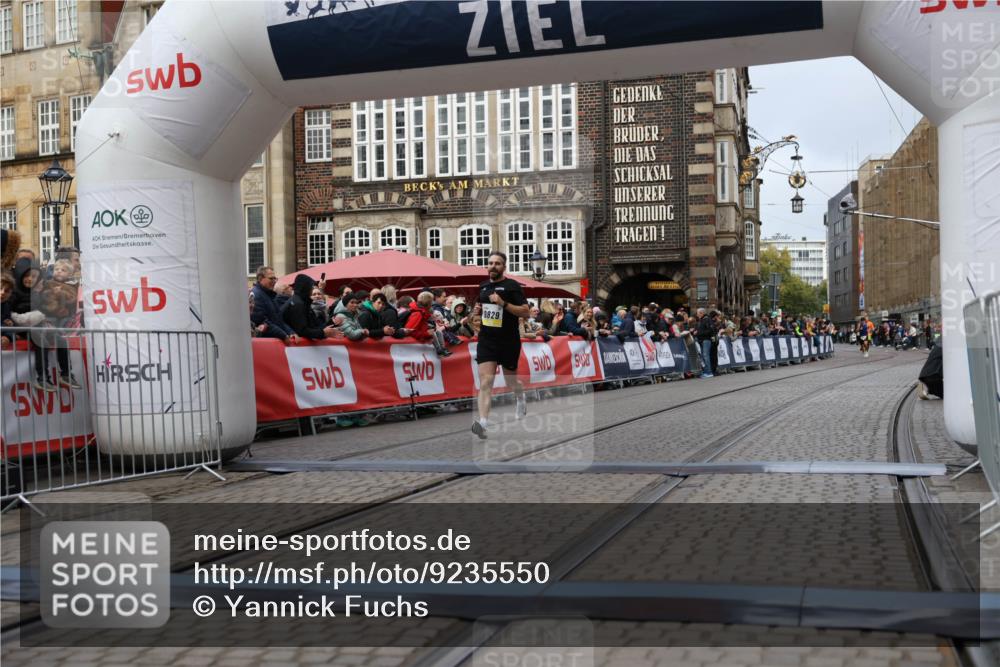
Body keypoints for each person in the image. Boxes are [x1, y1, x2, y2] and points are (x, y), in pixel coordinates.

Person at [472, 251, 530, 439]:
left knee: (511, 382)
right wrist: (476, 313)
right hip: (487, 340)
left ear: (504, 267)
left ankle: (520, 397)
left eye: (497, 263)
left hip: (508, 340)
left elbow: (525, 312)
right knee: (486, 382)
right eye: (490, 263)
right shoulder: (483, 287)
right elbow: (479, 313)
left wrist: (503, 303)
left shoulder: (512, 286)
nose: (493, 266)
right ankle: (482, 423)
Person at [31, 259, 81, 391]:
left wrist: (61, 294)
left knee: (62, 341)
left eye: (63, 270)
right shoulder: (47, 283)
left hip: (58, 320)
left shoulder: (72, 285)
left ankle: (66, 374)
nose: (59, 272)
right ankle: (43, 377)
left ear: (70, 274)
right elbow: (41, 298)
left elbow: (72, 299)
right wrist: (53, 293)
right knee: (43, 341)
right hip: (45, 318)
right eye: (56, 269)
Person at [282, 274, 341, 340]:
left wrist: (332, 322)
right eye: (310, 287)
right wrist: (323, 333)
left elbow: (314, 326)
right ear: (305, 288)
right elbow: (302, 331)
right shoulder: (298, 304)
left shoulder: (304, 303)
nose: (311, 290)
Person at [251, 266, 297, 342]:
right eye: (271, 278)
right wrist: (283, 335)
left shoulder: (270, 295)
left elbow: (279, 320)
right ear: (260, 279)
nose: (274, 281)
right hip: (266, 344)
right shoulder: (256, 295)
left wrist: (291, 333)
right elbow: (261, 321)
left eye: (275, 278)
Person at [405, 291, 451, 356]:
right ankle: (440, 350)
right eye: (431, 302)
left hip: (422, 339)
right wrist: (426, 333)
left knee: (438, 332)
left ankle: (442, 349)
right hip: (417, 345)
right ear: (427, 303)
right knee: (435, 333)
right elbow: (409, 330)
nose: (432, 304)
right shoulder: (418, 313)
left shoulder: (422, 312)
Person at [695, 308, 717, 378]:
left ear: (701, 313)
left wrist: (698, 333)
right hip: (702, 340)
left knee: (705, 356)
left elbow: (710, 330)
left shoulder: (706, 319)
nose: (697, 315)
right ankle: (706, 371)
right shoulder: (702, 320)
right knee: (704, 356)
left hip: (706, 340)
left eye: (698, 313)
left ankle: (709, 372)